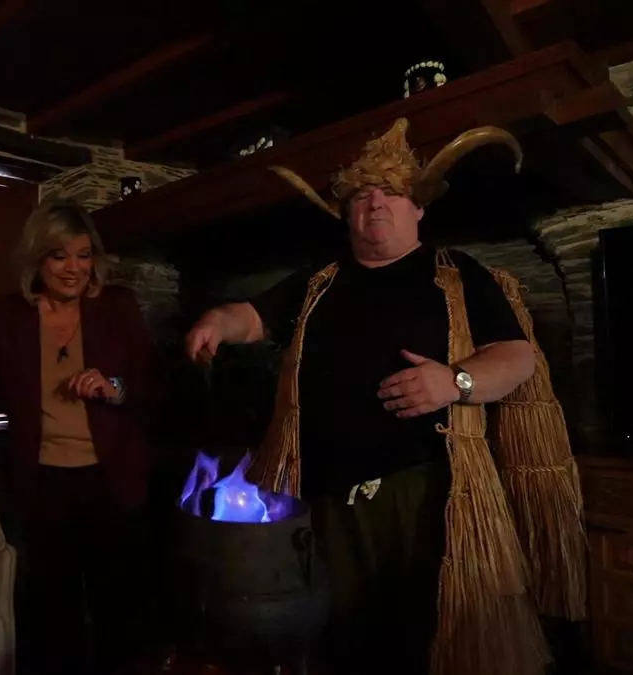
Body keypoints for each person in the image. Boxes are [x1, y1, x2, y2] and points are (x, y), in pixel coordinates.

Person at [185, 119, 586, 675]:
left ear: (419, 208)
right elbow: (249, 317)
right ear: (345, 213)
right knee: (346, 636)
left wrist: (456, 381)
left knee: (422, 632)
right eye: (361, 195)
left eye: (391, 192)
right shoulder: (317, 281)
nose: (375, 203)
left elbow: (516, 357)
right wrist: (216, 322)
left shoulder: (459, 274)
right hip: (327, 494)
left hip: (423, 491)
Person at [0, 200, 154, 675]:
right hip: (41, 487)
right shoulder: (4, 317)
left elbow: (151, 383)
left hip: (111, 482)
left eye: (84, 255)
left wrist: (114, 386)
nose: (74, 269)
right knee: (50, 612)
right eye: (59, 256)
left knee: (118, 609)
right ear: (37, 259)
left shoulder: (117, 307)